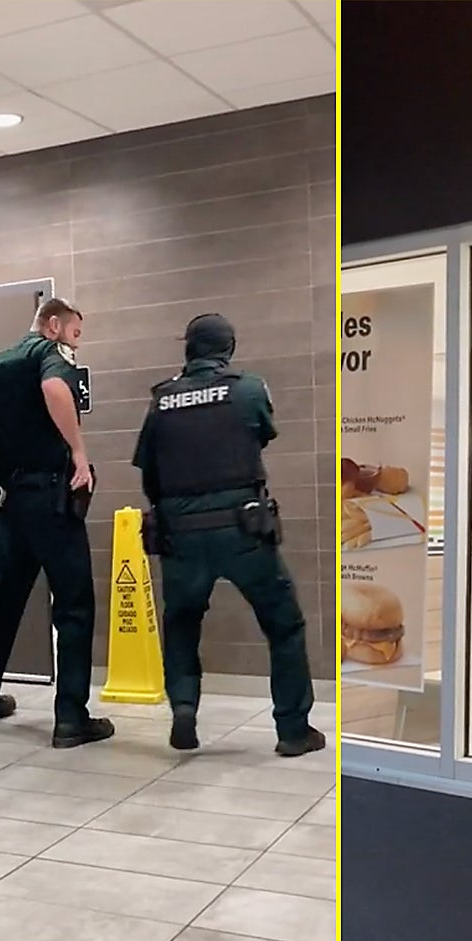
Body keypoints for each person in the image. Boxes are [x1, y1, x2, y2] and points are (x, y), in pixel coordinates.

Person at [132, 313, 322, 758]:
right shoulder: (248, 389)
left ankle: (183, 708)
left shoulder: (161, 400)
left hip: (181, 533)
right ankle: (293, 730)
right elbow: (262, 435)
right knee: (284, 625)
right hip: (244, 530)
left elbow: (148, 469)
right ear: (229, 348)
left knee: (182, 622)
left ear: (188, 348)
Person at [0, 296, 114, 749]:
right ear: (54, 325)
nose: (77, 344)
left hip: (9, 502)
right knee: (74, 604)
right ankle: (70, 720)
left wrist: (3, 459)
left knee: (5, 599)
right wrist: (78, 453)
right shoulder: (48, 354)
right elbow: (55, 391)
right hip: (48, 496)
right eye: (76, 334)